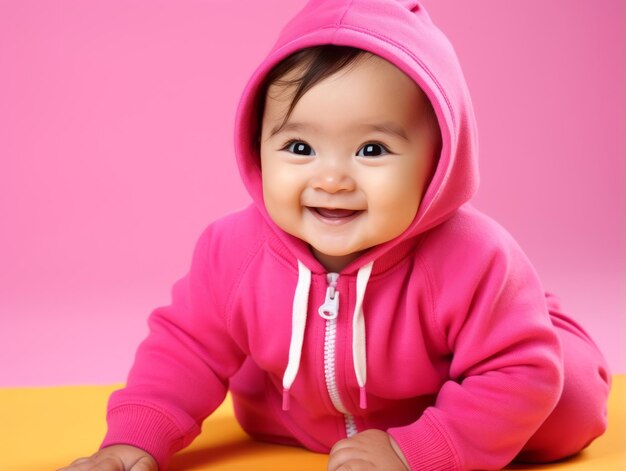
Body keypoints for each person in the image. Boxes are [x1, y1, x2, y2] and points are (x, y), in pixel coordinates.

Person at [58, 1, 611, 470]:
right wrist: (134, 438)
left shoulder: (474, 258)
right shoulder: (231, 251)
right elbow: (184, 349)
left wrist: (417, 450)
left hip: (447, 393)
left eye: (372, 150)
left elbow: (520, 373)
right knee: (221, 356)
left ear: (438, 160)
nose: (331, 178)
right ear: (257, 148)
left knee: (565, 410)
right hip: (301, 411)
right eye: (299, 148)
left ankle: (533, 318)